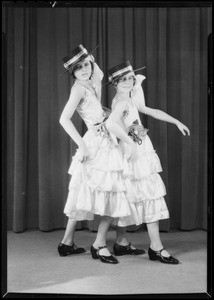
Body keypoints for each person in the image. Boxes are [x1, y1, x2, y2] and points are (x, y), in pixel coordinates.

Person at [58, 45, 140, 264]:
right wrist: (82, 147)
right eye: (78, 67)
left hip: (104, 135)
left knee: (85, 190)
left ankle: (66, 243)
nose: (84, 69)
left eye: (86, 65)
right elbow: (63, 119)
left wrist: (111, 116)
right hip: (96, 141)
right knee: (112, 189)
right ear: (72, 72)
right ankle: (99, 244)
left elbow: (100, 76)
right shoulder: (79, 89)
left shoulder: (91, 83)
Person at [106, 60, 190, 264]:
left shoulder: (130, 98)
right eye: (122, 80)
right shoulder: (121, 102)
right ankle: (156, 247)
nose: (127, 82)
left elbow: (148, 110)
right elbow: (110, 124)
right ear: (115, 83)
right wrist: (130, 143)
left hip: (140, 147)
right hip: (134, 150)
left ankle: (121, 241)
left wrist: (176, 121)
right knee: (147, 193)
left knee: (132, 194)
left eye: (130, 78)